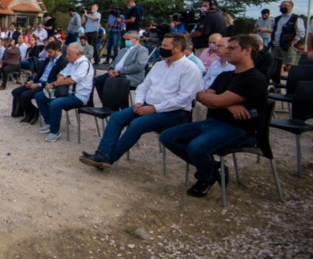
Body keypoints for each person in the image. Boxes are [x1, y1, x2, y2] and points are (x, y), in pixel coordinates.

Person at [160, 34, 268, 198]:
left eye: (232, 48)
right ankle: (213, 167)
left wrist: (219, 101)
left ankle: (206, 177)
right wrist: (229, 104)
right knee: (168, 136)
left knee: (196, 147)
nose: (226, 51)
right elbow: (200, 95)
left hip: (241, 129)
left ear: (247, 51)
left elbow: (215, 101)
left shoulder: (254, 78)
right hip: (214, 122)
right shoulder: (225, 76)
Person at [79, 34, 202, 169]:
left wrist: (155, 108)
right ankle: (102, 153)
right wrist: (138, 101)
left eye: (166, 46)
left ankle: (108, 158)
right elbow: (144, 86)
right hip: (146, 105)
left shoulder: (190, 69)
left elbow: (184, 98)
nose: (162, 48)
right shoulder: (159, 65)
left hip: (174, 112)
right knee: (116, 117)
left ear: (178, 48)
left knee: (137, 124)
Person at [34, 42, 95, 142]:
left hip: (78, 96)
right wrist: (61, 77)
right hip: (65, 92)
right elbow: (61, 73)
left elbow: (72, 80)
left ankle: (55, 131)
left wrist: (54, 84)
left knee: (55, 103)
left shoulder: (84, 64)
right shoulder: (72, 62)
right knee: (39, 96)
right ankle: (49, 122)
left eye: (69, 54)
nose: (66, 56)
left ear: (77, 54)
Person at [12, 41, 68, 123]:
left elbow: (55, 80)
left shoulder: (63, 62)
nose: (48, 54)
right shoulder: (49, 59)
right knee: (16, 92)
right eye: (47, 52)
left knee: (25, 95)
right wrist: (31, 81)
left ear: (57, 51)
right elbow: (40, 72)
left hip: (48, 85)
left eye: (50, 52)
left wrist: (38, 84)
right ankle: (31, 112)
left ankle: (33, 113)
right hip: (39, 82)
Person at [93, 31, 148, 96]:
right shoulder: (123, 50)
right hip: (116, 73)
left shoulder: (142, 50)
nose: (126, 41)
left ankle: (115, 104)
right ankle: (106, 103)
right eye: (125, 39)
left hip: (130, 76)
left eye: (128, 39)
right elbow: (114, 62)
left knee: (112, 82)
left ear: (135, 39)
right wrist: (111, 69)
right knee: (98, 80)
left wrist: (119, 72)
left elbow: (138, 66)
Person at [270, 0, 305, 71]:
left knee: (289, 66)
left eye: (285, 6)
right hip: (276, 45)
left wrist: (292, 43)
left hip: (288, 46)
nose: (282, 7)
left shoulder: (296, 18)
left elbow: (301, 33)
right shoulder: (277, 19)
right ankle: (277, 80)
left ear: (291, 7)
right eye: (281, 6)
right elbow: (275, 31)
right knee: (276, 65)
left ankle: (291, 81)